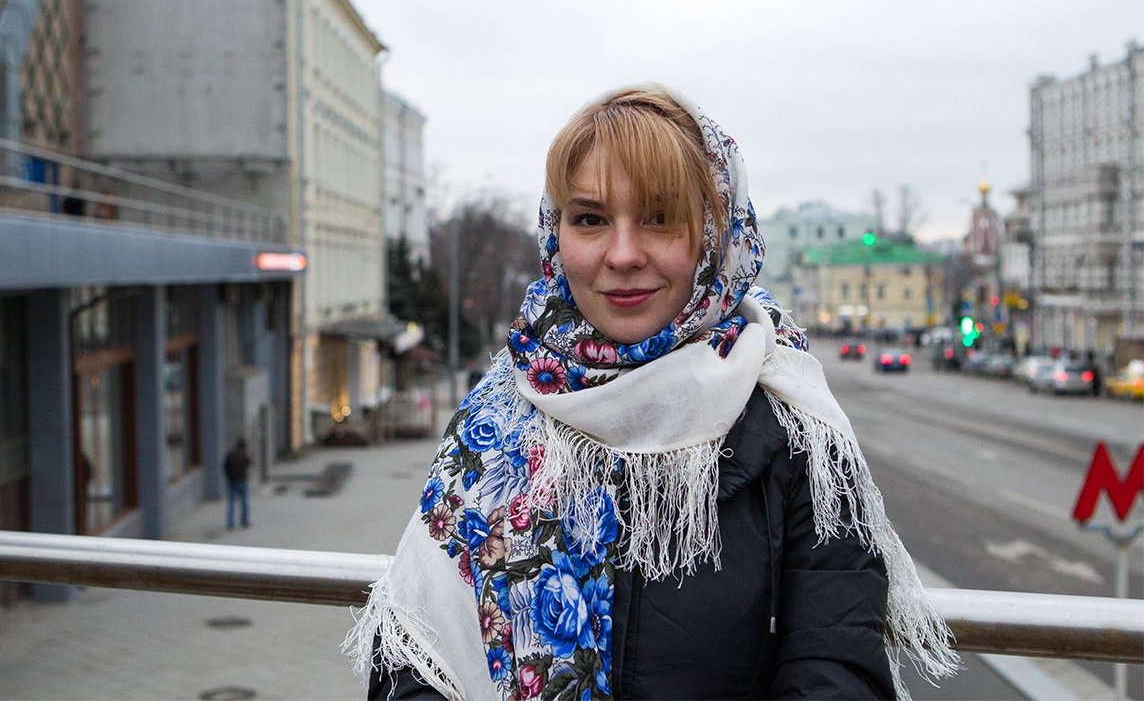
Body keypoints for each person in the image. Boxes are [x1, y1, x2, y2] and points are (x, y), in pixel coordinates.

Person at [347, 87, 957, 700]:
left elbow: (836, 671)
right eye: (589, 219)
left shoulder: (799, 435)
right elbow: (415, 664)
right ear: (554, 234)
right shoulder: (501, 411)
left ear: (716, 232)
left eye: (660, 218)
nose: (623, 255)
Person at [224, 439, 251, 529]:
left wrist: (229, 478)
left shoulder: (230, 455)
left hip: (232, 482)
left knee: (231, 503)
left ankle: (230, 523)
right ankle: (244, 521)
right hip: (242, 481)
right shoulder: (244, 455)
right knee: (244, 502)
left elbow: (225, 467)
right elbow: (249, 464)